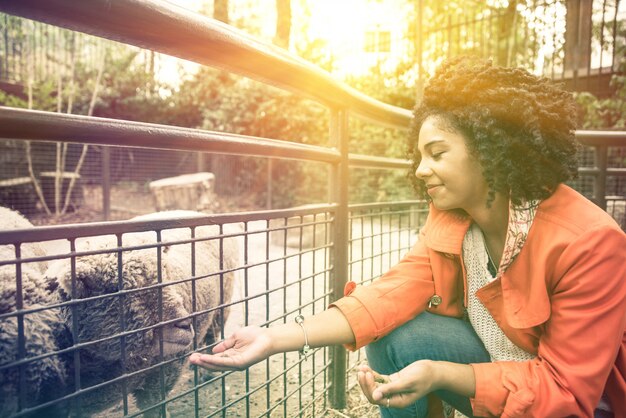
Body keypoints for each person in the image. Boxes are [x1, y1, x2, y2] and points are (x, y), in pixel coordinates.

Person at [190, 57, 626, 418]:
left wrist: (439, 374)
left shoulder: (591, 242)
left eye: (437, 153)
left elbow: (566, 395)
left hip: (573, 405)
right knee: (397, 333)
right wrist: (276, 337)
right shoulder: (455, 218)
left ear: (492, 150)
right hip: (506, 376)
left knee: (420, 353)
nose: (420, 170)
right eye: (419, 156)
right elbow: (390, 295)